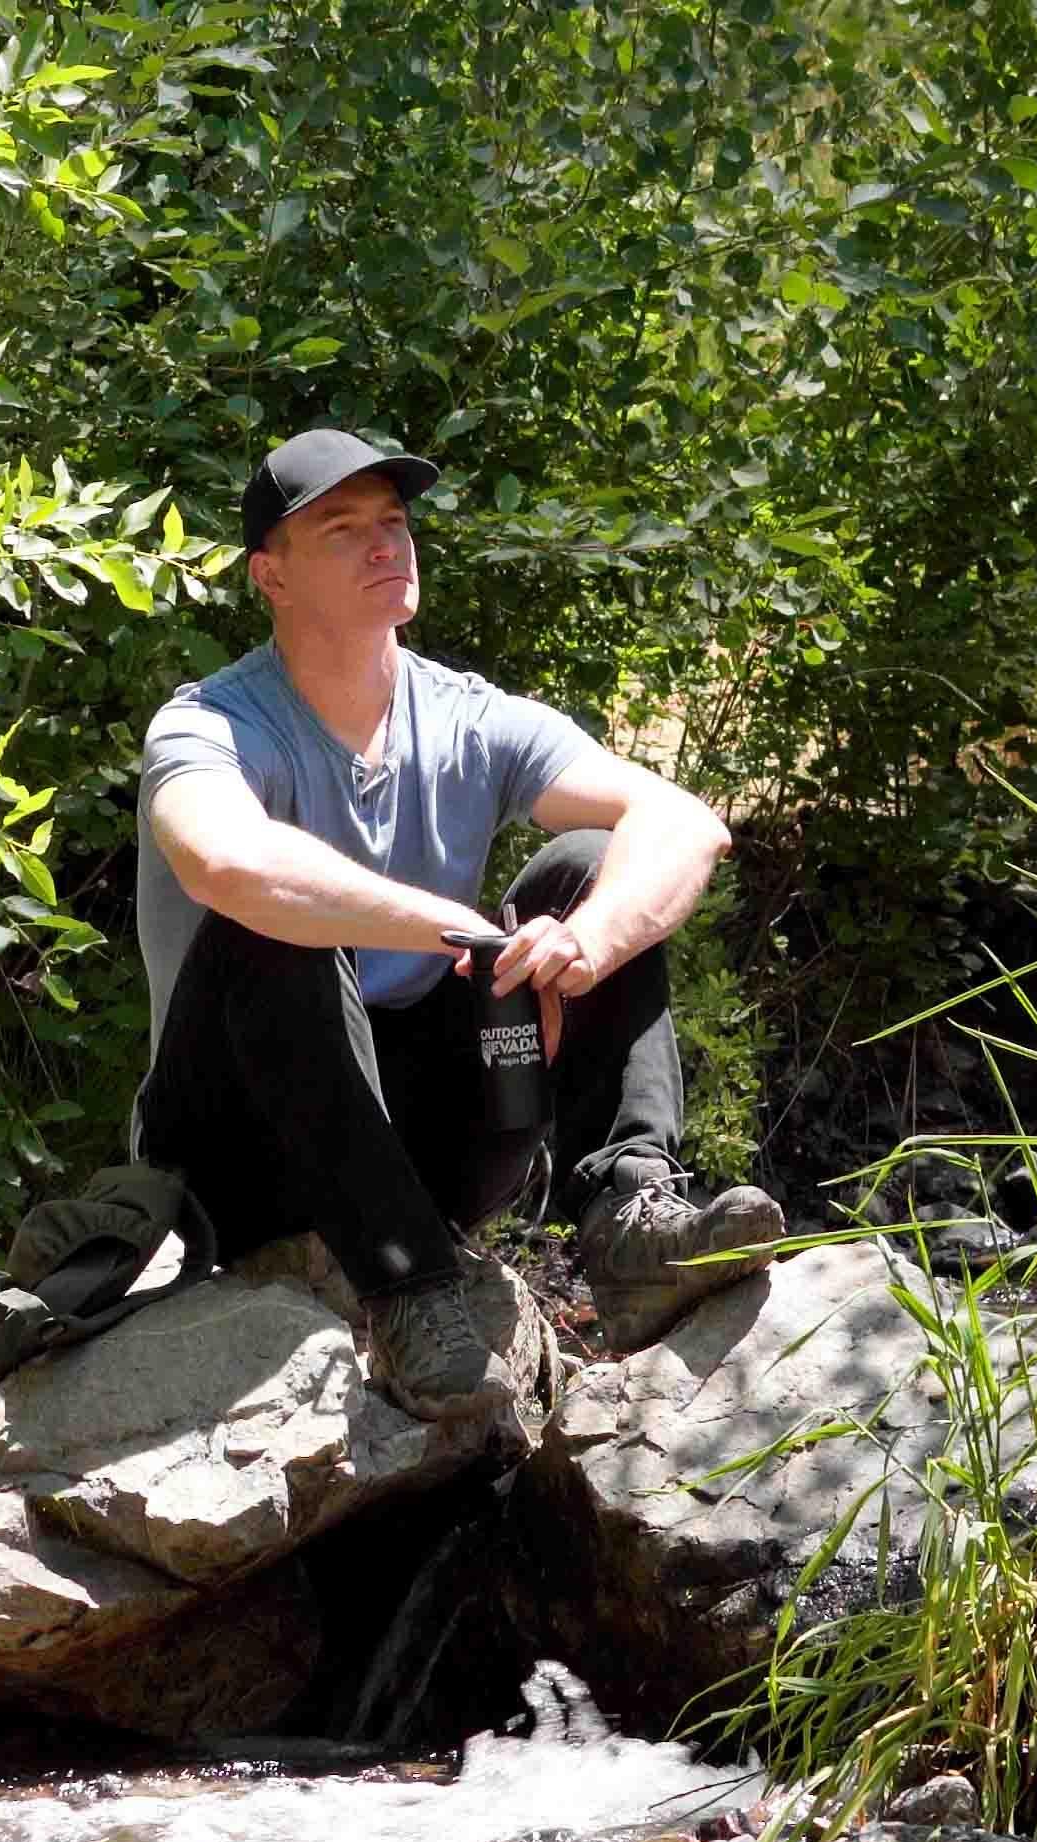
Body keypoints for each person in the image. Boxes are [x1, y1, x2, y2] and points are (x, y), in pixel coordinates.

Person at [133, 427, 785, 1418]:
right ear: (272, 574)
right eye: (343, 528)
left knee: (590, 870)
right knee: (268, 919)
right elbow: (227, 859)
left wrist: (582, 948)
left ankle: (631, 1222)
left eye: (393, 522)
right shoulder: (210, 725)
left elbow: (685, 823)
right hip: (243, 1153)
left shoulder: (469, 717)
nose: (385, 545)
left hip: (435, 1139)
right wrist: (458, 931)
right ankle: (408, 1291)